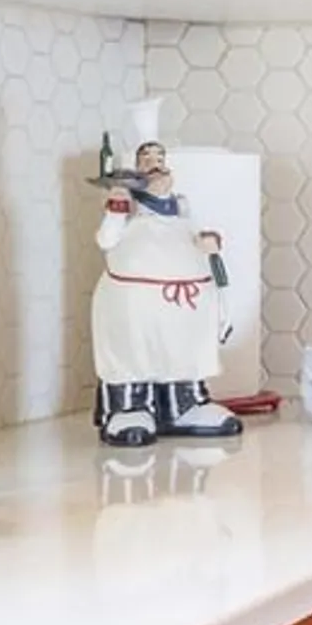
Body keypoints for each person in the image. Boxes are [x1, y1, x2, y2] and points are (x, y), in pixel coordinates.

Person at [91, 141, 240, 446]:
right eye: (146, 159)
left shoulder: (180, 205)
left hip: (183, 301)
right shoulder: (127, 204)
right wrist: (117, 207)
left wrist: (207, 241)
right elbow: (107, 240)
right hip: (135, 298)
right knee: (133, 350)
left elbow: (194, 233)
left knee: (181, 350)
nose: (155, 164)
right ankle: (128, 407)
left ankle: (183, 405)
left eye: (160, 158)